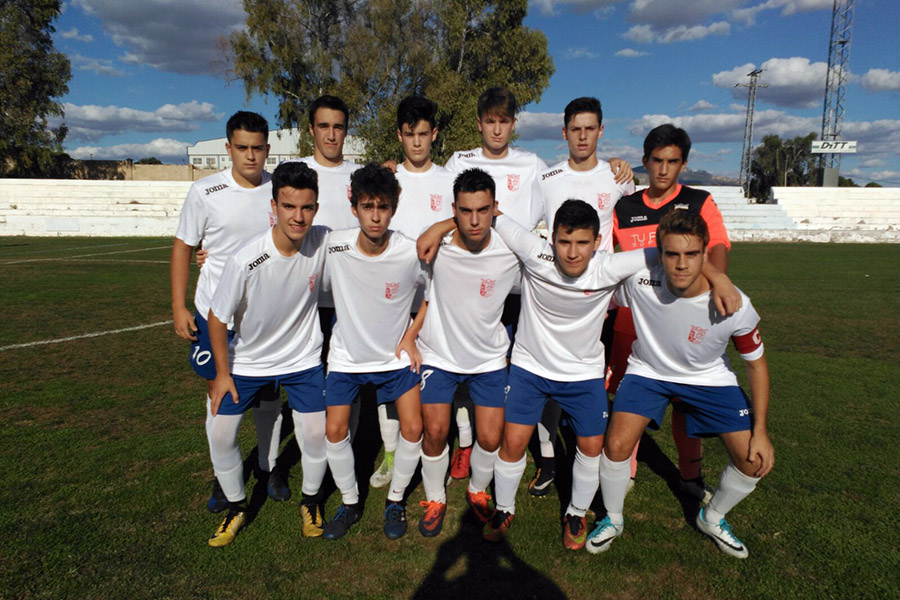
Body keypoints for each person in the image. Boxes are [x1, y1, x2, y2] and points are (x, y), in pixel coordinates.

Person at [483, 200, 737, 550]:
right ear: (551, 238)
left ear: (598, 241)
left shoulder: (610, 265)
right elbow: (490, 214)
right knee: (512, 443)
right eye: (564, 242)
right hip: (530, 368)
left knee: (590, 446)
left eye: (583, 243)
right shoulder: (533, 250)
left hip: (584, 374)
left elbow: (675, 248)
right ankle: (504, 508)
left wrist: (719, 277)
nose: (572, 253)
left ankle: (576, 512)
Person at [587, 210, 773, 559]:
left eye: (691, 255)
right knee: (615, 445)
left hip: (709, 378)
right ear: (660, 254)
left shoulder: (735, 304)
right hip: (648, 372)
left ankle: (712, 517)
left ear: (706, 256)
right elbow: (592, 286)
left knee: (753, 461)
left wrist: (760, 429)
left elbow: (757, 366)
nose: (681, 264)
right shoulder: (639, 280)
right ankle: (612, 518)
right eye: (672, 254)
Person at [205, 161, 330, 546]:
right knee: (221, 434)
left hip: (302, 360)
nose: (298, 216)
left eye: (307, 207)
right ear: (273, 207)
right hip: (247, 362)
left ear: (316, 207)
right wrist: (222, 374)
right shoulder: (247, 258)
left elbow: (371, 237)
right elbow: (217, 317)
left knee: (315, 434)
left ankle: (311, 501)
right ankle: (238, 508)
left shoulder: (323, 241)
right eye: (289, 207)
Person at [170, 111, 290, 510]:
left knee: (269, 396)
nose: (250, 156)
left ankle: (267, 465)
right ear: (228, 149)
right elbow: (183, 247)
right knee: (219, 394)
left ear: (268, 150)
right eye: (242, 148)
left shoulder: (280, 190)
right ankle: (225, 478)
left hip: (265, 315)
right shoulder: (204, 192)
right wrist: (178, 305)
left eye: (258, 148)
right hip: (213, 314)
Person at [610, 124, 734, 502]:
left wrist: (718, 282)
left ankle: (691, 478)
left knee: (687, 406)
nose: (664, 170)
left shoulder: (699, 202)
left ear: (683, 164)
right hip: (632, 326)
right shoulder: (625, 207)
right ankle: (625, 472)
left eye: (673, 162)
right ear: (644, 162)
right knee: (625, 401)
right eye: (657, 161)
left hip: (687, 327)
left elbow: (717, 248)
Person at [396, 168, 520, 537]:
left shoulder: (511, 251)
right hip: (439, 355)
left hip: (488, 359)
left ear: (495, 208)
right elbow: (420, 267)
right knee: (434, 430)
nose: (475, 219)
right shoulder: (439, 248)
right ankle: (435, 496)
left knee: (490, 437)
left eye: (483, 210)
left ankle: (477, 489)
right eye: (465, 211)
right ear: (454, 210)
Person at [528, 96, 636, 497]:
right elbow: (528, 228)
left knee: (597, 382)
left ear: (601, 131)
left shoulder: (616, 177)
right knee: (549, 380)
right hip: (555, 301)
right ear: (564, 133)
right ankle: (550, 461)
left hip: (601, 302)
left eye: (590, 128)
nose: (583, 136)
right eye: (576, 129)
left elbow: (641, 212)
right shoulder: (548, 178)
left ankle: (595, 457)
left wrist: (627, 171)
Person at [320, 164, 426, 541]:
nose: (376, 216)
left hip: (393, 358)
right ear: (354, 208)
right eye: (368, 206)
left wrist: (412, 334)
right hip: (347, 357)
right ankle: (350, 503)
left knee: (414, 428)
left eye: (383, 207)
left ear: (393, 208)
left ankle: (395, 501)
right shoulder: (333, 245)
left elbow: (433, 293)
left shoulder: (409, 250)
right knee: (333, 431)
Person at [367, 95, 456, 490]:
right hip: (394, 298)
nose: (417, 143)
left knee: (444, 372)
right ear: (398, 135)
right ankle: (391, 454)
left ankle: (450, 446)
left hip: (442, 295)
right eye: (409, 135)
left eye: (423, 134)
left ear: (434, 134)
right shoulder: (388, 179)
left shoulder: (450, 177)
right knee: (392, 373)